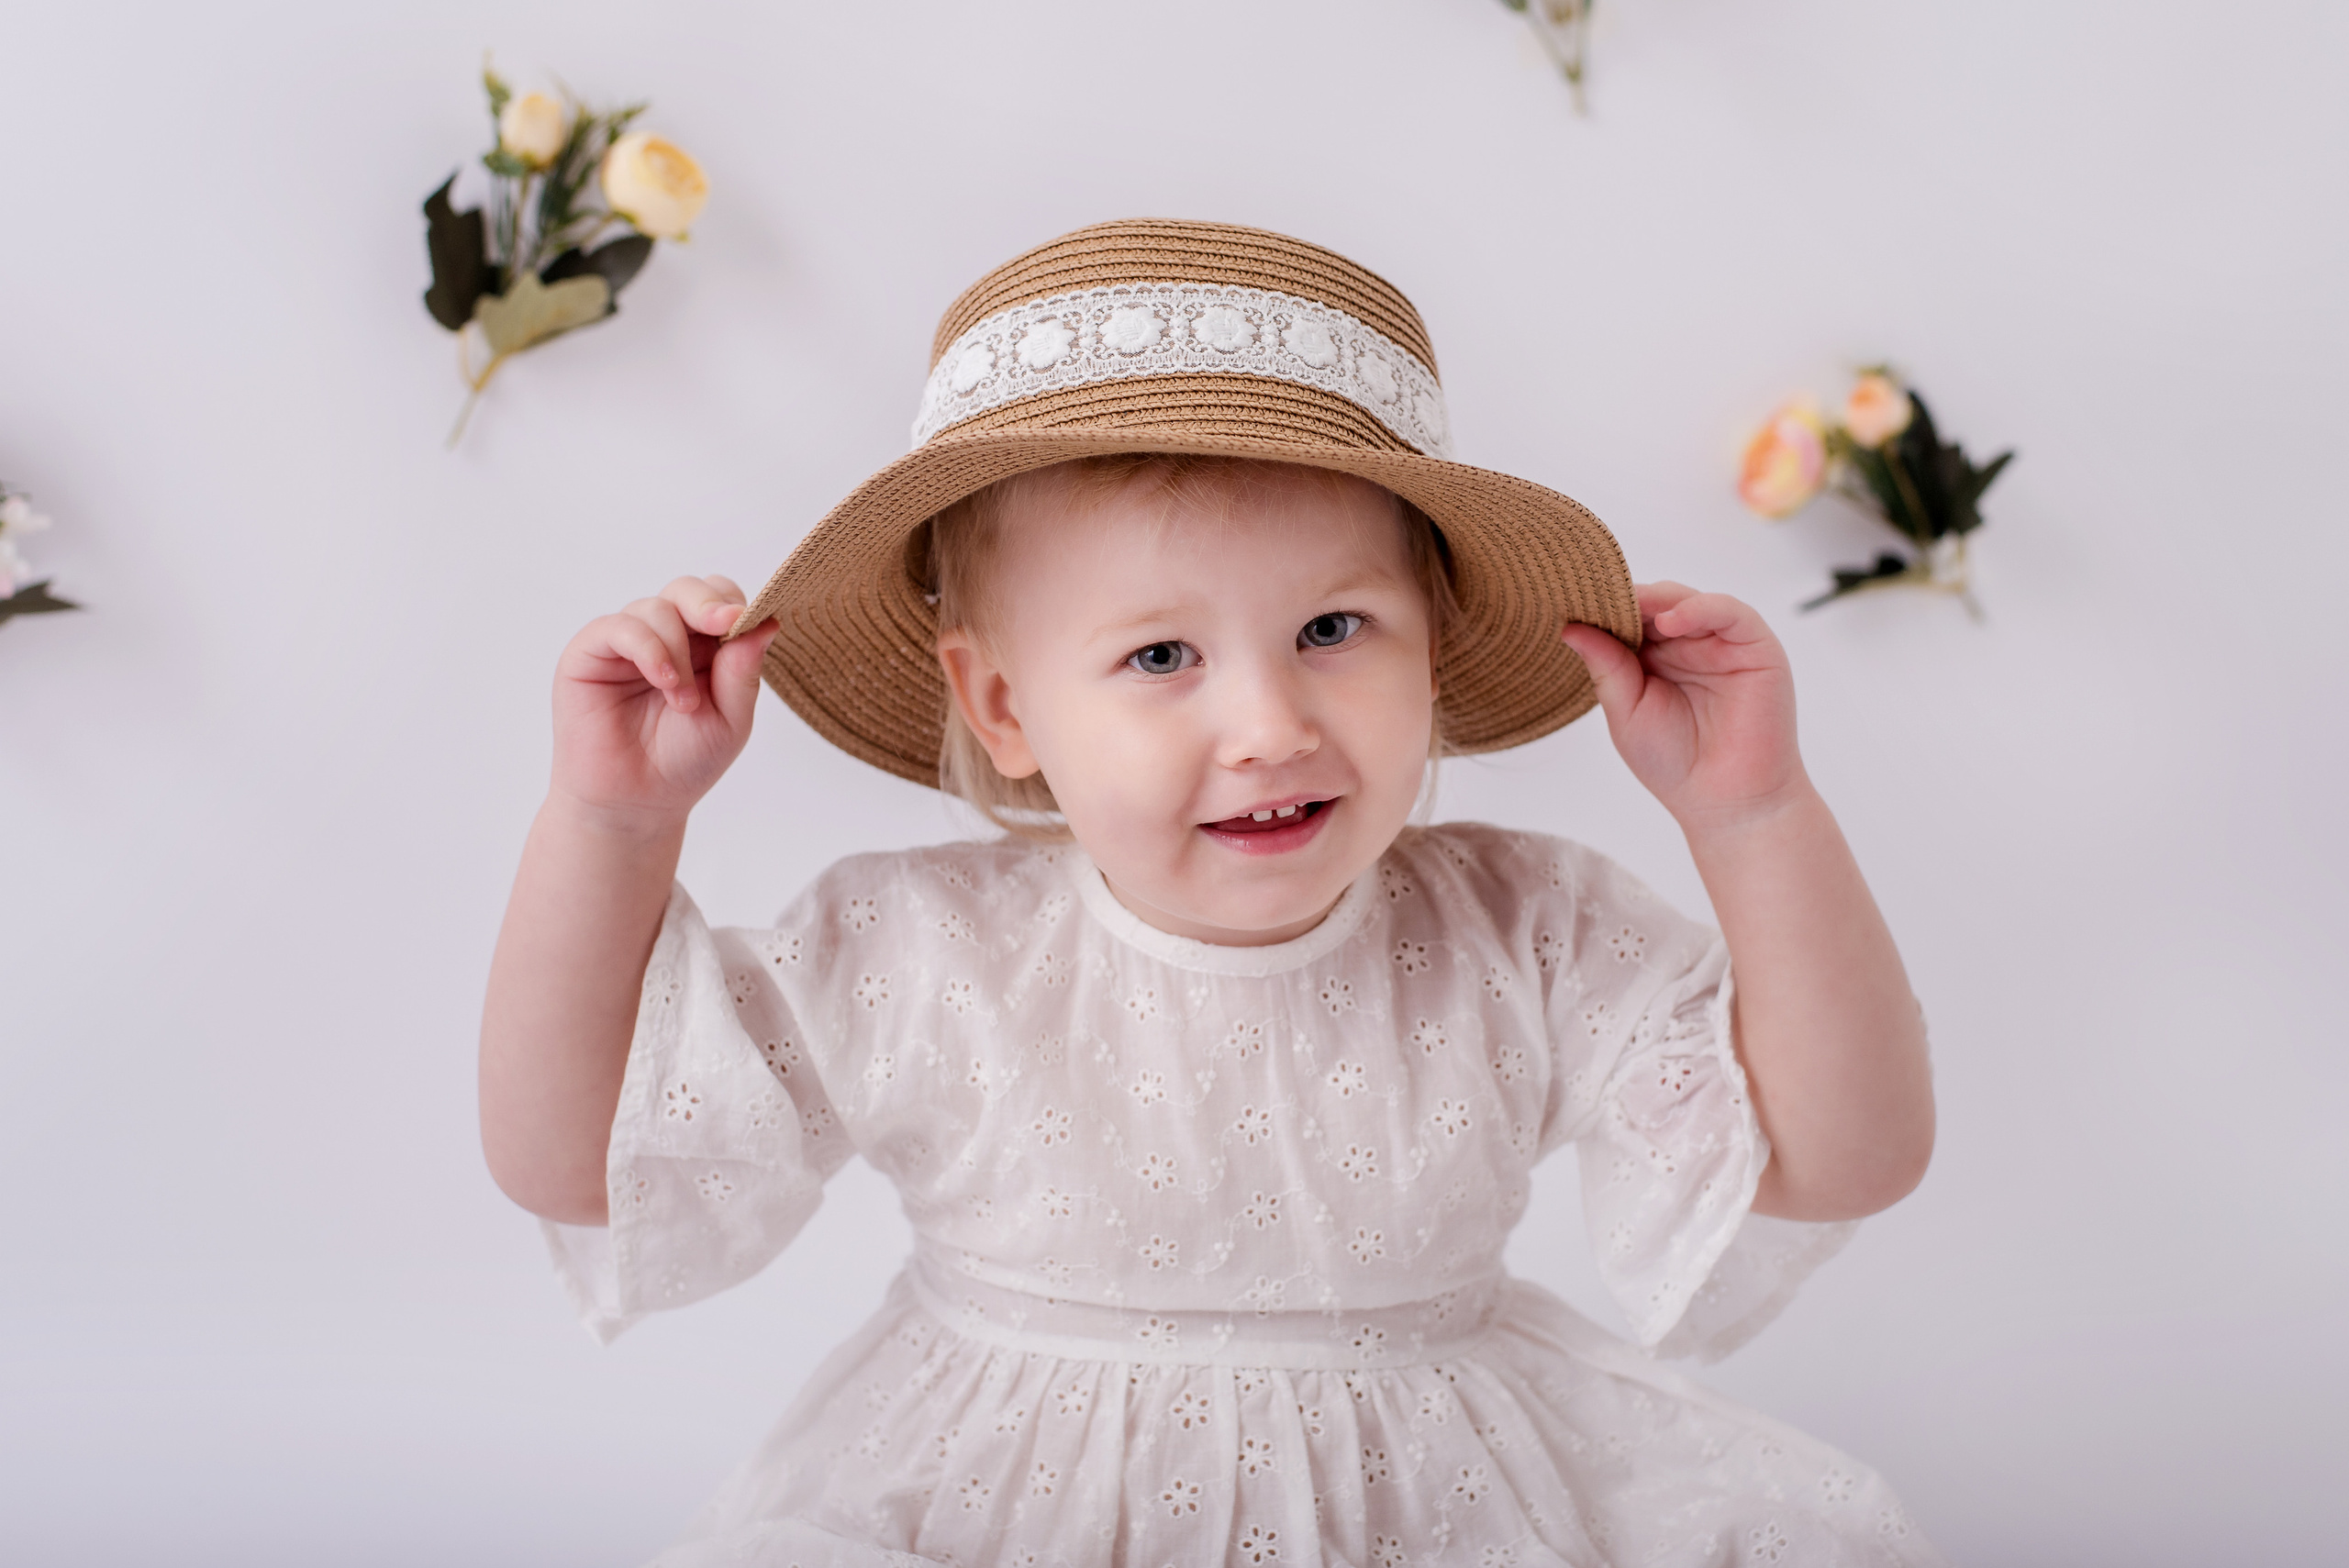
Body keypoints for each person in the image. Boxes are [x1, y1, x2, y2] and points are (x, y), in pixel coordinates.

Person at [480, 219, 1943, 1566]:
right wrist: (611, 826)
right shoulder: (921, 950)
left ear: (1428, 648)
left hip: (1431, 1503)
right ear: (1003, 706)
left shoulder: (1522, 928)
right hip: (1001, 1508)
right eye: (1161, 657)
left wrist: (1752, 815)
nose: (1271, 726)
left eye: (1331, 627)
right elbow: (573, 1160)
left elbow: (1841, 1159)